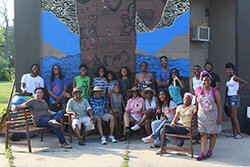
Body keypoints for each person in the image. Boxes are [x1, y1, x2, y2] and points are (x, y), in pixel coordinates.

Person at [195, 71, 222, 161]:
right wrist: (196, 112)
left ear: (211, 81)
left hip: (213, 116)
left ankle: (210, 151)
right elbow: (197, 103)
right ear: (201, 81)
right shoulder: (198, 90)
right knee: (203, 134)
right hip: (202, 116)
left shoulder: (215, 92)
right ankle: (202, 152)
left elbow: (219, 105)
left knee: (213, 133)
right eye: (204, 80)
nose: (206, 82)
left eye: (208, 80)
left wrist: (220, 117)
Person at [225, 63, 248, 139]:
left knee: (234, 116)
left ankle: (239, 133)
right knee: (231, 116)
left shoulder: (234, 77)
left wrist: (239, 90)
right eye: (227, 69)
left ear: (233, 70)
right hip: (229, 97)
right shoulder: (228, 78)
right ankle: (234, 133)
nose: (228, 71)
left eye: (230, 69)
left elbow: (245, 82)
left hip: (234, 97)